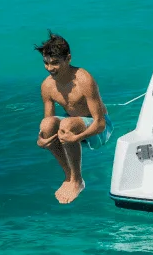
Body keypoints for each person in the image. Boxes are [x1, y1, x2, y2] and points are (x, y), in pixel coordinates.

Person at [35, 32, 108, 204]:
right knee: (46, 125)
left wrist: (76, 138)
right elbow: (49, 122)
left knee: (67, 124)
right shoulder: (47, 86)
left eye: (55, 63)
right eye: (46, 63)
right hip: (73, 125)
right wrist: (42, 140)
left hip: (98, 129)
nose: (50, 68)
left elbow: (101, 124)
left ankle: (77, 180)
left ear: (68, 59)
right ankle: (69, 176)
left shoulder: (84, 80)